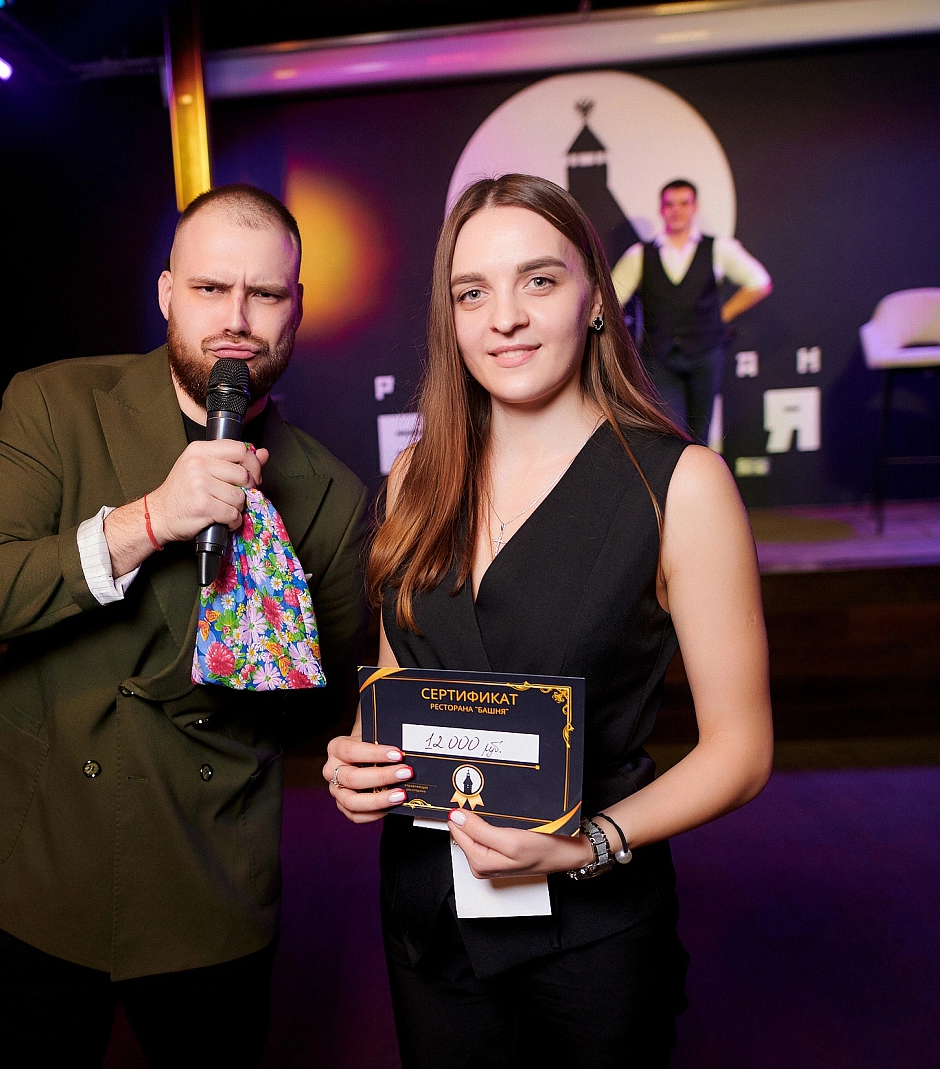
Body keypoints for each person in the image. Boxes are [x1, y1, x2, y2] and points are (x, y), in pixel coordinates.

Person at [0, 184, 369, 1067]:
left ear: (297, 310)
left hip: (207, 878)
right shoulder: (56, 404)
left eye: (264, 294)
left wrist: (259, 638)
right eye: (209, 288)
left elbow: (319, 708)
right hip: (28, 859)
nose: (236, 320)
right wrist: (148, 521)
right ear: (166, 294)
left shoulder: (333, 496)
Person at [323, 175, 772, 1068]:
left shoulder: (681, 486)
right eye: (472, 292)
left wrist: (587, 846)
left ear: (595, 300)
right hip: (429, 920)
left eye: (538, 280)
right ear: (451, 319)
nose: (505, 318)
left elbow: (741, 752)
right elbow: (398, 692)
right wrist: (357, 766)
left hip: (593, 937)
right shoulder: (413, 479)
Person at [611, 179, 772, 442]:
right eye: (670, 204)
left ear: (694, 207)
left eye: (684, 203)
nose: (677, 210)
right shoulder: (640, 254)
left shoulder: (718, 249)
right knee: (670, 432)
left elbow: (759, 283)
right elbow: (611, 300)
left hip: (705, 355)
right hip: (659, 359)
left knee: (701, 436)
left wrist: (723, 315)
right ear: (661, 209)